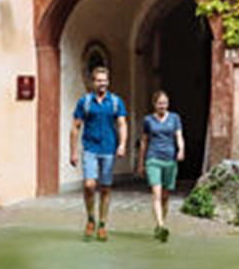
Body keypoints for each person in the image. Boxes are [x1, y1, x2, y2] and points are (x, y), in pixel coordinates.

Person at [70, 66, 127, 241]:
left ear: (108, 82)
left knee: (106, 188)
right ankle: (90, 219)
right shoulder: (85, 102)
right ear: (93, 82)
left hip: (108, 149)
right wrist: (72, 152)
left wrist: (122, 144)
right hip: (90, 148)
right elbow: (75, 128)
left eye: (105, 80)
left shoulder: (116, 102)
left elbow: (122, 124)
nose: (102, 84)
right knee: (89, 185)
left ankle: (102, 224)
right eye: (99, 80)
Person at [137, 90, 184, 242]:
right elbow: (144, 142)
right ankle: (161, 225)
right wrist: (141, 162)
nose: (162, 106)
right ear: (154, 104)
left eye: (165, 103)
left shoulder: (175, 118)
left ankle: (160, 224)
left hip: (170, 160)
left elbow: (179, 136)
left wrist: (181, 149)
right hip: (153, 159)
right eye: (159, 103)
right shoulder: (148, 120)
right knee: (156, 194)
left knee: (165, 196)